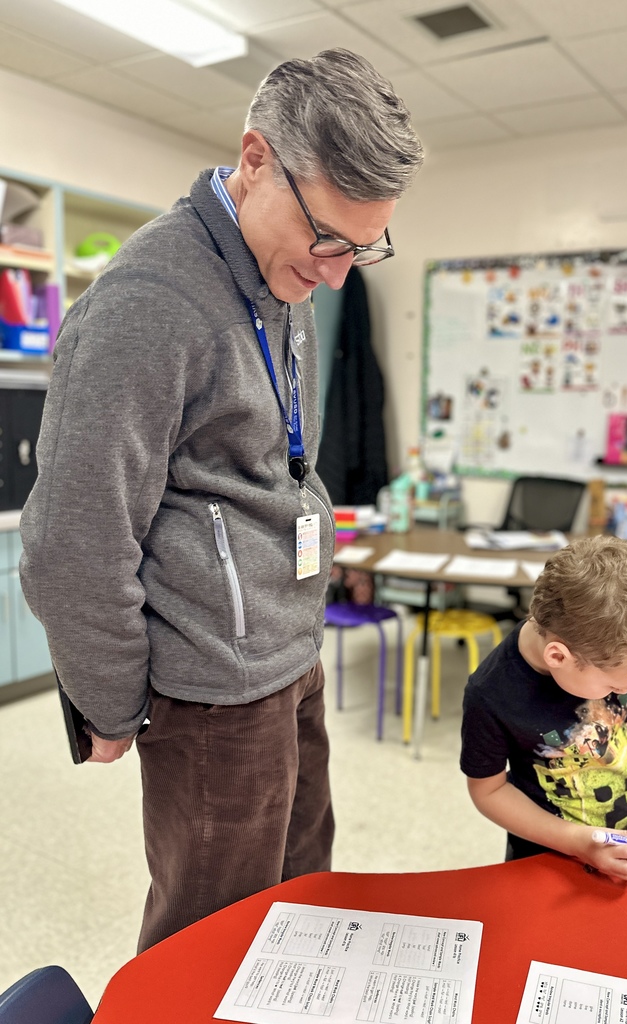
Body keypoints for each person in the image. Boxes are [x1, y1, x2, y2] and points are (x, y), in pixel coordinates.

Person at [19, 48, 423, 951]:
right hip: (209, 691)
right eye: (329, 239)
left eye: (365, 248)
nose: (337, 275)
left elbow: (275, 471)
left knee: (302, 897)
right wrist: (114, 704)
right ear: (254, 160)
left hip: (287, 658)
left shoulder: (287, 275)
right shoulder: (148, 305)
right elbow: (72, 544)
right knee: (213, 941)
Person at [460, 535, 627, 883]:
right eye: (616, 687)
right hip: (544, 858)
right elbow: (488, 791)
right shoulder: (491, 694)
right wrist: (577, 843)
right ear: (558, 656)